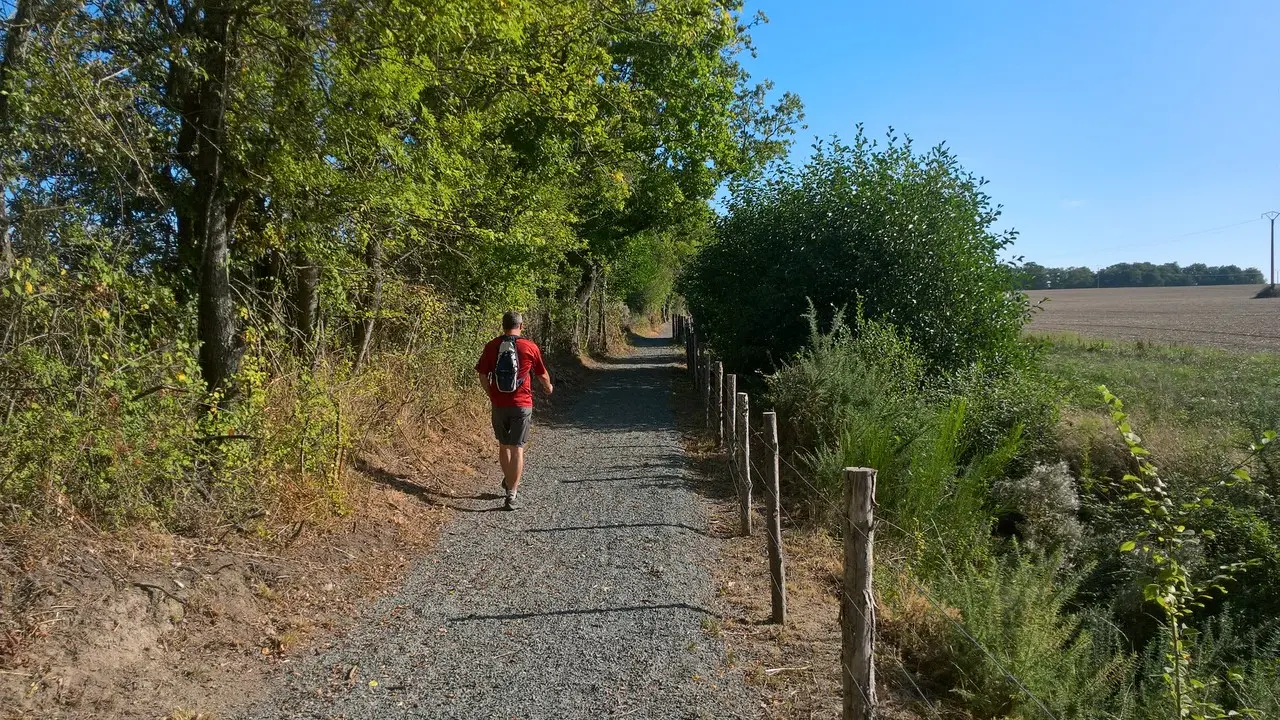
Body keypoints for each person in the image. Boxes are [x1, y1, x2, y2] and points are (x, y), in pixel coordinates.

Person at [474, 311, 552, 510]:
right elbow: (542, 374)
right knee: (517, 448)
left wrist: (491, 394)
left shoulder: (492, 346)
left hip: (499, 404)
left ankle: (509, 480)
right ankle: (511, 492)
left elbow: (483, 375)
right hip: (522, 404)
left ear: (503, 325)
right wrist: (548, 387)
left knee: (503, 446)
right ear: (521, 326)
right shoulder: (530, 347)